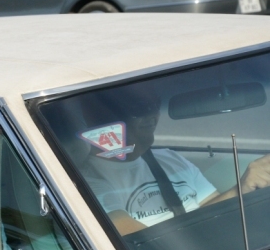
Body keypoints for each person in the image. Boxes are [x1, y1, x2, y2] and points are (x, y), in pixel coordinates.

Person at [79, 84, 270, 235]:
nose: (152, 114)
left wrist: (247, 188)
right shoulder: (87, 184)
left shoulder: (170, 158)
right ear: (103, 116)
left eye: (155, 104)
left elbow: (215, 213)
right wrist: (239, 189)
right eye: (139, 107)